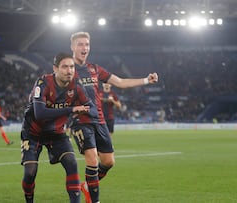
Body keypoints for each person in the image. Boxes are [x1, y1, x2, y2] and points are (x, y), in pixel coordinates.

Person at [69, 32, 159, 203]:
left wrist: (146, 80)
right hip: (80, 121)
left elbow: (120, 82)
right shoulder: (68, 69)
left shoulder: (94, 69)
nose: (84, 48)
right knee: (92, 159)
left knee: (109, 162)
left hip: (99, 120)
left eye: (87, 44)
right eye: (80, 44)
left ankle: (87, 187)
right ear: (72, 47)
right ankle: (94, 200)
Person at [21, 52, 97, 203]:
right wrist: (72, 109)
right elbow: (40, 113)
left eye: (72, 67)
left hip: (57, 133)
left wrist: (83, 112)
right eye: (65, 67)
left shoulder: (77, 85)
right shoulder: (42, 83)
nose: (69, 71)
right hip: (33, 133)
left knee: (71, 162)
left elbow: (93, 109)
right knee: (30, 173)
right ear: (55, 68)